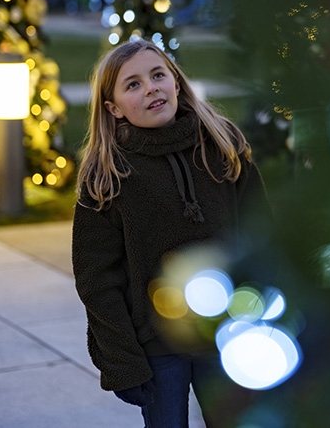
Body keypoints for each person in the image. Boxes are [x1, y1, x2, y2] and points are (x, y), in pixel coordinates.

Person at [72, 39, 269, 427]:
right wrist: (122, 361)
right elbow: (97, 280)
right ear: (113, 109)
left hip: (225, 334)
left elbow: (262, 234)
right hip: (156, 349)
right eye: (132, 84)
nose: (151, 88)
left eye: (158, 75)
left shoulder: (222, 147)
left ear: (176, 83)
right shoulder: (107, 179)